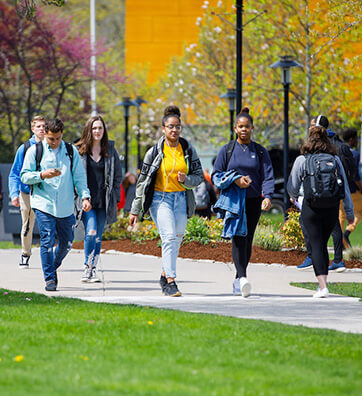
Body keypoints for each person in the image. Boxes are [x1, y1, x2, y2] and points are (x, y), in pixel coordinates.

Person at [129, 105, 204, 297]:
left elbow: (199, 176)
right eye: (170, 126)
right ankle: (171, 281)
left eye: (177, 126)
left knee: (177, 239)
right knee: (169, 237)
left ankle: (163, 275)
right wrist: (135, 210)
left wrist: (185, 180)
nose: (174, 130)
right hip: (159, 200)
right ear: (163, 128)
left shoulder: (187, 149)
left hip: (181, 198)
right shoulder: (154, 152)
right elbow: (142, 182)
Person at [20, 118, 91, 292]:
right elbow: (24, 176)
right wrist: (42, 175)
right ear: (45, 134)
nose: (55, 142)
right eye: (52, 139)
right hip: (43, 204)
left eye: (58, 138)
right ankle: (50, 279)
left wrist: (85, 196)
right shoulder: (34, 151)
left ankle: (52, 265)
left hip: (66, 206)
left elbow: (79, 177)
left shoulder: (70, 151)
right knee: (47, 239)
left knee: (67, 242)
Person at [212, 107, 274, 297]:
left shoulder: (260, 152)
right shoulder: (227, 150)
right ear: (235, 128)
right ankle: (243, 278)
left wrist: (268, 196)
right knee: (238, 238)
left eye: (247, 126)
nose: (244, 129)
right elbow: (216, 175)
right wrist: (236, 180)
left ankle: (239, 279)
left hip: (254, 201)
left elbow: (268, 175)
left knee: (247, 240)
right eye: (240, 126)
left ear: (252, 128)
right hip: (234, 202)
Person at [288, 124, 354, 298]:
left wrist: (293, 197)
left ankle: (323, 286)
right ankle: (323, 284)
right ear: (327, 139)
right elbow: (345, 188)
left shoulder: (302, 160)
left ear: (309, 139)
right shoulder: (335, 159)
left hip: (312, 208)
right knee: (322, 245)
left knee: (316, 245)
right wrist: (349, 213)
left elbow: (292, 185)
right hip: (331, 208)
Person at [296, 115, 356, 272]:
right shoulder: (337, 147)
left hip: (317, 194)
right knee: (334, 226)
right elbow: (348, 172)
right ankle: (336, 260)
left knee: (315, 227)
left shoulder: (317, 147)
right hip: (334, 193)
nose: (309, 128)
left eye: (311, 125)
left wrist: (296, 196)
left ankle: (317, 259)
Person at [75, 115, 123, 282]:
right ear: (89, 130)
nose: (97, 131)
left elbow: (118, 175)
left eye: (100, 128)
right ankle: (87, 267)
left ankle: (93, 268)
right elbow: (74, 176)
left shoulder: (110, 149)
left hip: (104, 201)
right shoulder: (79, 150)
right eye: (94, 128)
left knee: (97, 236)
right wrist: (80, 197)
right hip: (86, 200)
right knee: (91, 231)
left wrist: (115, 198)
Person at [9, 116, 46, 268]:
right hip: (26, 193)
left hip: (45, 192)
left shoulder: (51, 147)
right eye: (38, 126)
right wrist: (13, 194)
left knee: (47, 224)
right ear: (33, 129)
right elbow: (14, 173)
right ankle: (25, 253)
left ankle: (48, 255)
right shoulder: (24, 148)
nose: (42, 129)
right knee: (27, 224)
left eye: (44, 126)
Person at [339, 128, 362, 248]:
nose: (357, 141)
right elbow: (355, 174)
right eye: (356, 138)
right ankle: (347, 232)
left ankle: (340, 240)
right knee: (359, 212)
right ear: (351, 139)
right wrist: (361, 188)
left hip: (339, 188)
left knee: (341, 215)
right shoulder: (354, 154)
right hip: (352, 189)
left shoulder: (337, 150)